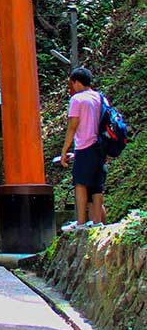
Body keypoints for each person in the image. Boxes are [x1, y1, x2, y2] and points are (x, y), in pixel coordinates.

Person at [59, 67, 106, 231]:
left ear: (77, 82)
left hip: (84, 146)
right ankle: (98, 221)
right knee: (97, 185)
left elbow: (73, 126)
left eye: (72, 84)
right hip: (99, 147)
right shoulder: (99, 97)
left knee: (80, 184)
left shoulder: (77, 99)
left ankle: (80, 223)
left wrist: (64, 150)